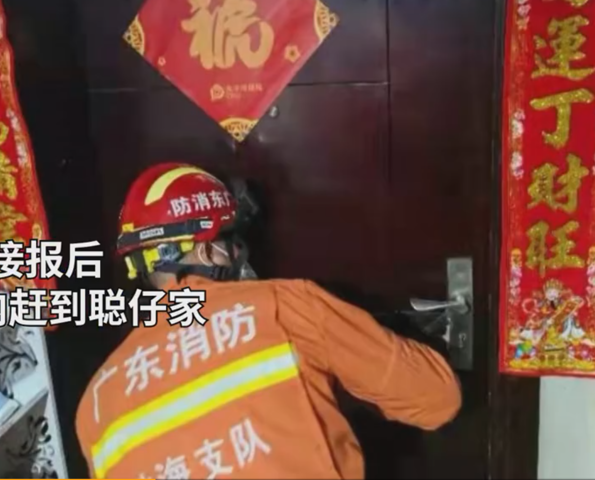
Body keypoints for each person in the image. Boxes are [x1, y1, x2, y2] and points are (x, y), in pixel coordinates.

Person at [75, 163, 461, 479]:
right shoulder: (285, 307)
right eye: (233, 244)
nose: (241, 258)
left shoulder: (95, 404)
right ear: (208, 251)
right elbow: (437, 398)